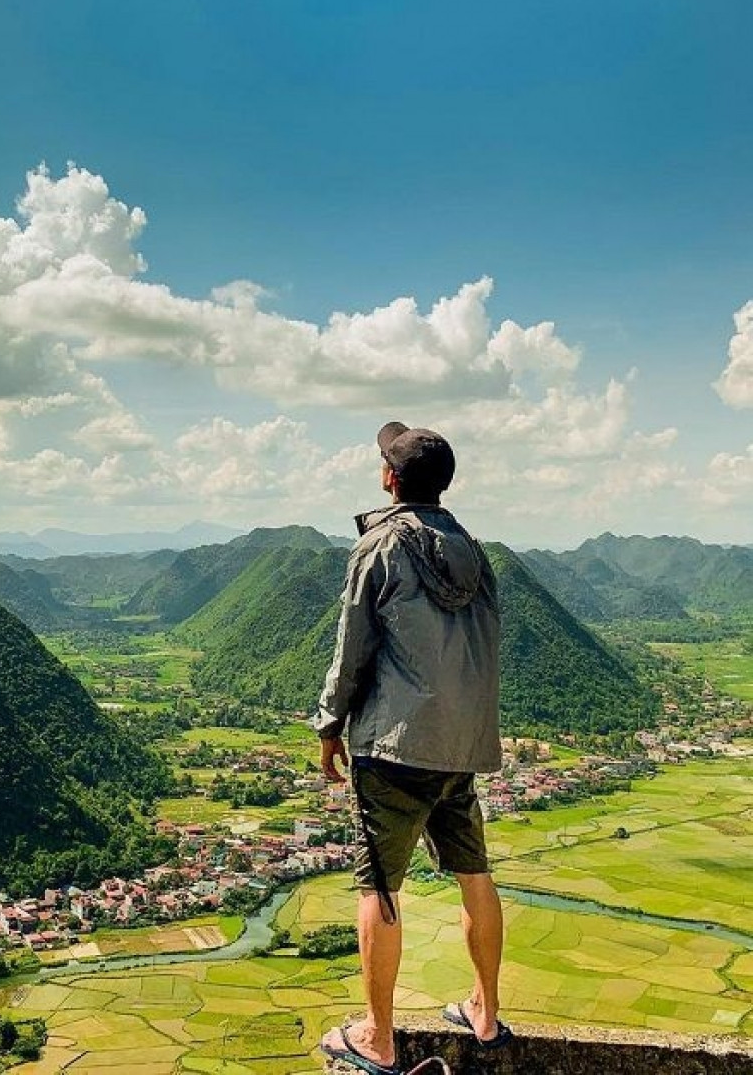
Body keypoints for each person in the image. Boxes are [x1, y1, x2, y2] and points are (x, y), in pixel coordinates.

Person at [313, 421, 512, 1075]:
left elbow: (352, 646)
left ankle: (377, 1035)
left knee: (380, 887)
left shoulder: (380, 546)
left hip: (395, 748)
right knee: (474, 874)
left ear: (391, 478)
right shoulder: (475, 555)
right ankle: (484, 1010)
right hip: (462, 747)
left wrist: (329, 724)